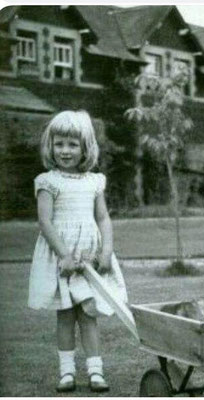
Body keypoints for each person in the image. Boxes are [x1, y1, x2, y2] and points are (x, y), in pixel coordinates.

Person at [28, 110, 128, 393]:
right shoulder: (47, 181)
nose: (65, 150)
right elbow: (45, 221)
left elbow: (103, 218)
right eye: (59, 144)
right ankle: (67, 372)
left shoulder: (94, 182)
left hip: (89, 256)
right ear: (51, 146)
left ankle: (96, 372)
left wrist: (106, 251)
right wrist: (64, 255)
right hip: (62, 257)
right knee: (65, 315)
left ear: (86, 148)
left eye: (72, 145)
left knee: (88, 313)